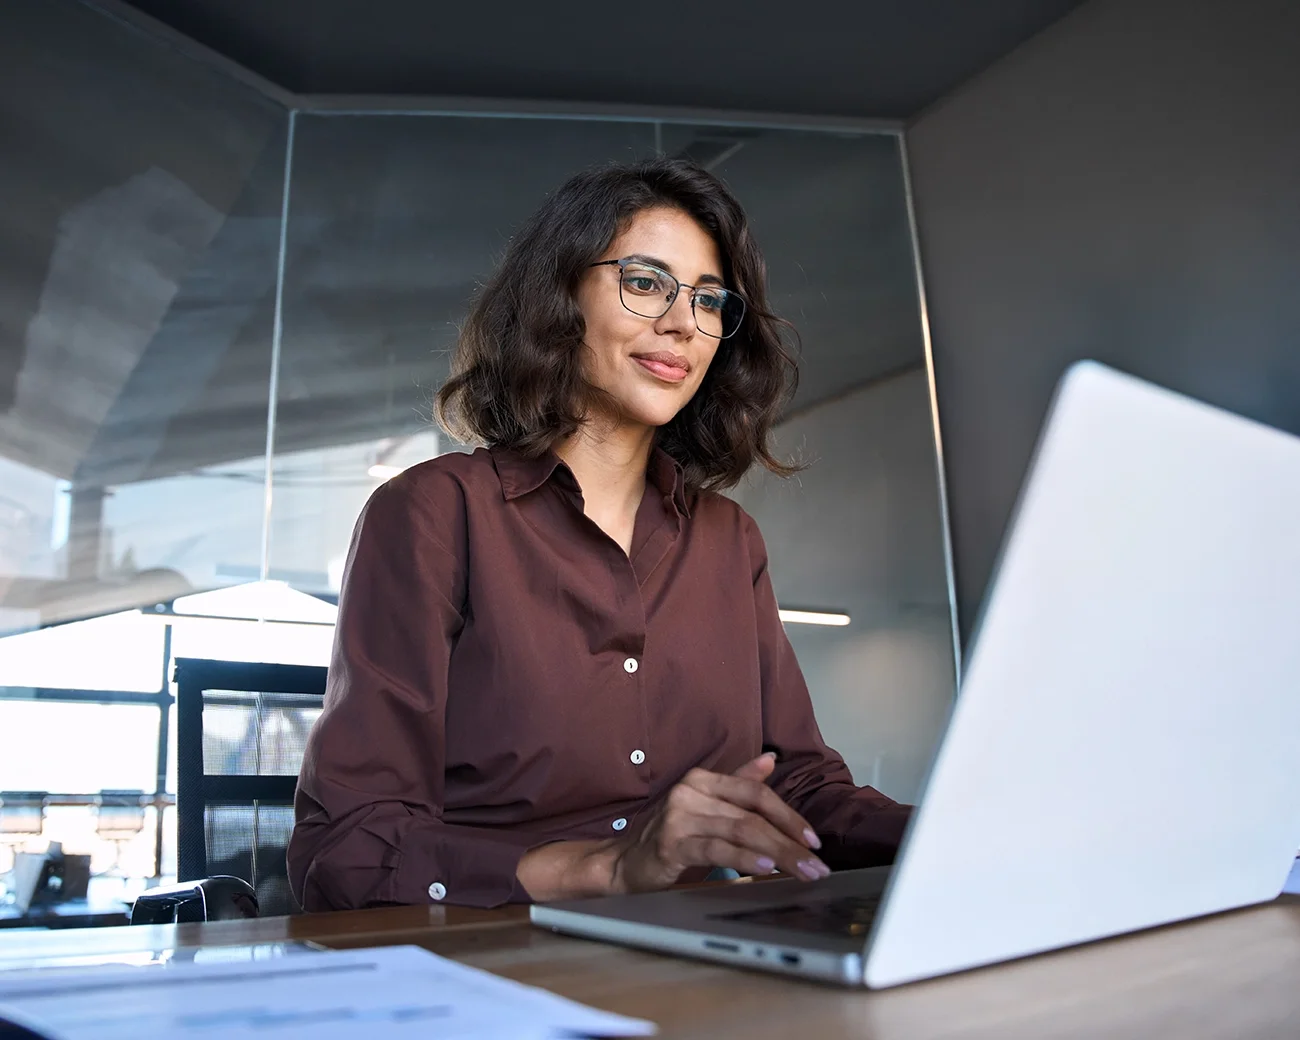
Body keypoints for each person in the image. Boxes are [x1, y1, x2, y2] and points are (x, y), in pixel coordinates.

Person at [287, 158, 911, 911]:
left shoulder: (729, 540)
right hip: (501, 959)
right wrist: (605, 868)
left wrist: (957, 830)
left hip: (711, 955)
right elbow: (346, 848)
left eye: (709, 300)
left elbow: (800, 788)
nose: (683, 323)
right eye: (646, 282)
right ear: (559, 297)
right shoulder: (432, 514)